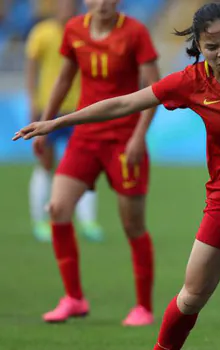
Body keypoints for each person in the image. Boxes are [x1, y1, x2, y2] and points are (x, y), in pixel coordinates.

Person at [14, 4, 220, 348]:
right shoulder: (192, 81)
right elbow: (125, 103)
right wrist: (57, 122)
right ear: (199, 48)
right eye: (211, 47)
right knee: (192, 296)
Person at [24, 0, 160, 326]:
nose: (100, 2)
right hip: (84, 137)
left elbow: (154, 89)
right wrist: (44, 124)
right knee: (57, 208)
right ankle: (73, 298)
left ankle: (143, 306)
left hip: (123, 140)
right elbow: (64, 79)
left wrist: (139, 136)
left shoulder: (135, 32)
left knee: (132, 225)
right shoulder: (73, 30)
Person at [25, 0, 103, 242]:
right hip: (49, 111)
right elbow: (31, 70)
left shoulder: (86, 32)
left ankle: (88, 221)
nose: (67, 8)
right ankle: (40, 221)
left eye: (71, 5)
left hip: (79, 111)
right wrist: (33, 104)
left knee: (86, 167)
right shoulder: (42, 33)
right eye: (64, 4)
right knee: (46, 165)